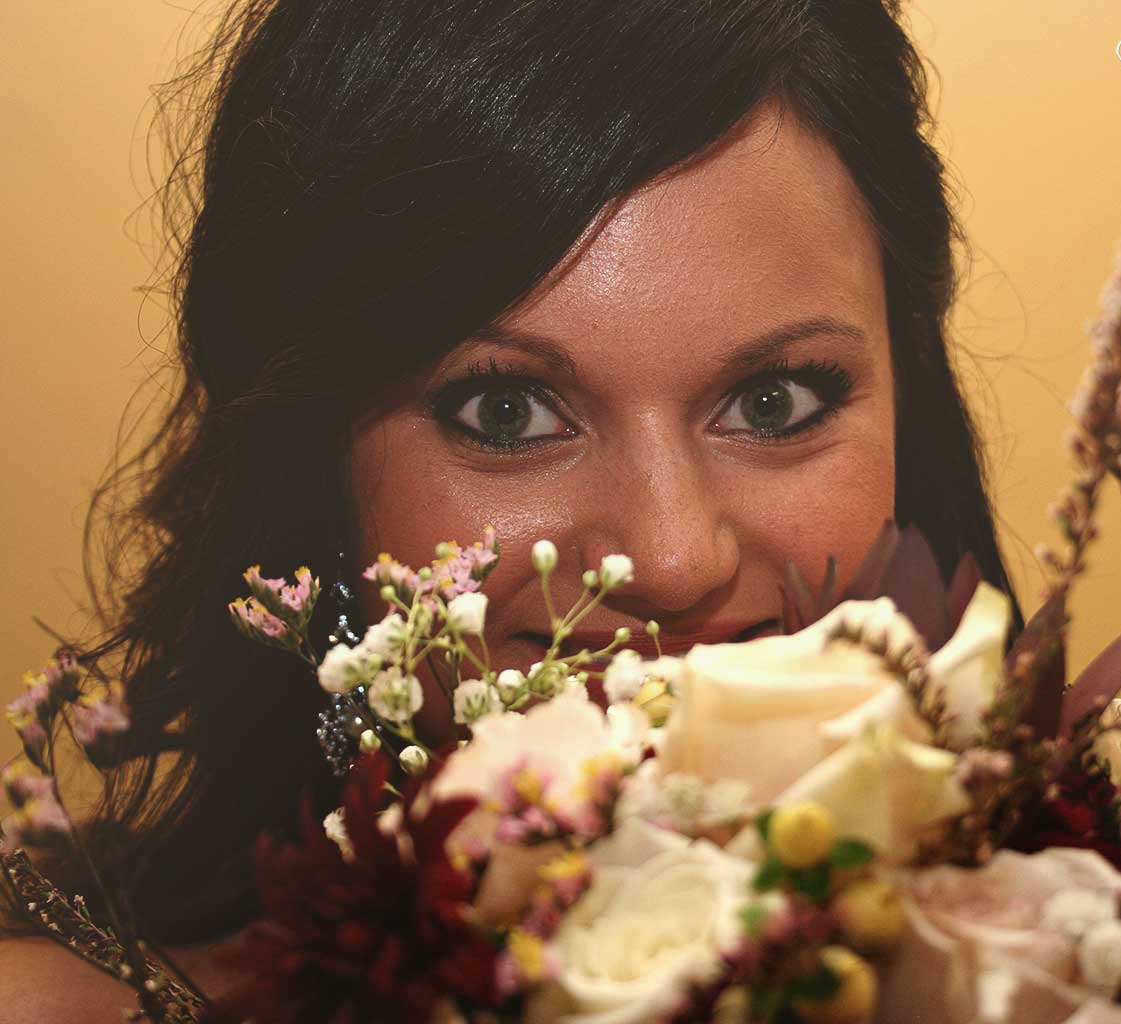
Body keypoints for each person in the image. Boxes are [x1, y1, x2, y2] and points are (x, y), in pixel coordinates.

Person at [0, 0, 1022, 1017]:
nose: (671, 558)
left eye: (773, 401)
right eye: (507, 410)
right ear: (312, 459)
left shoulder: (1093, 961)